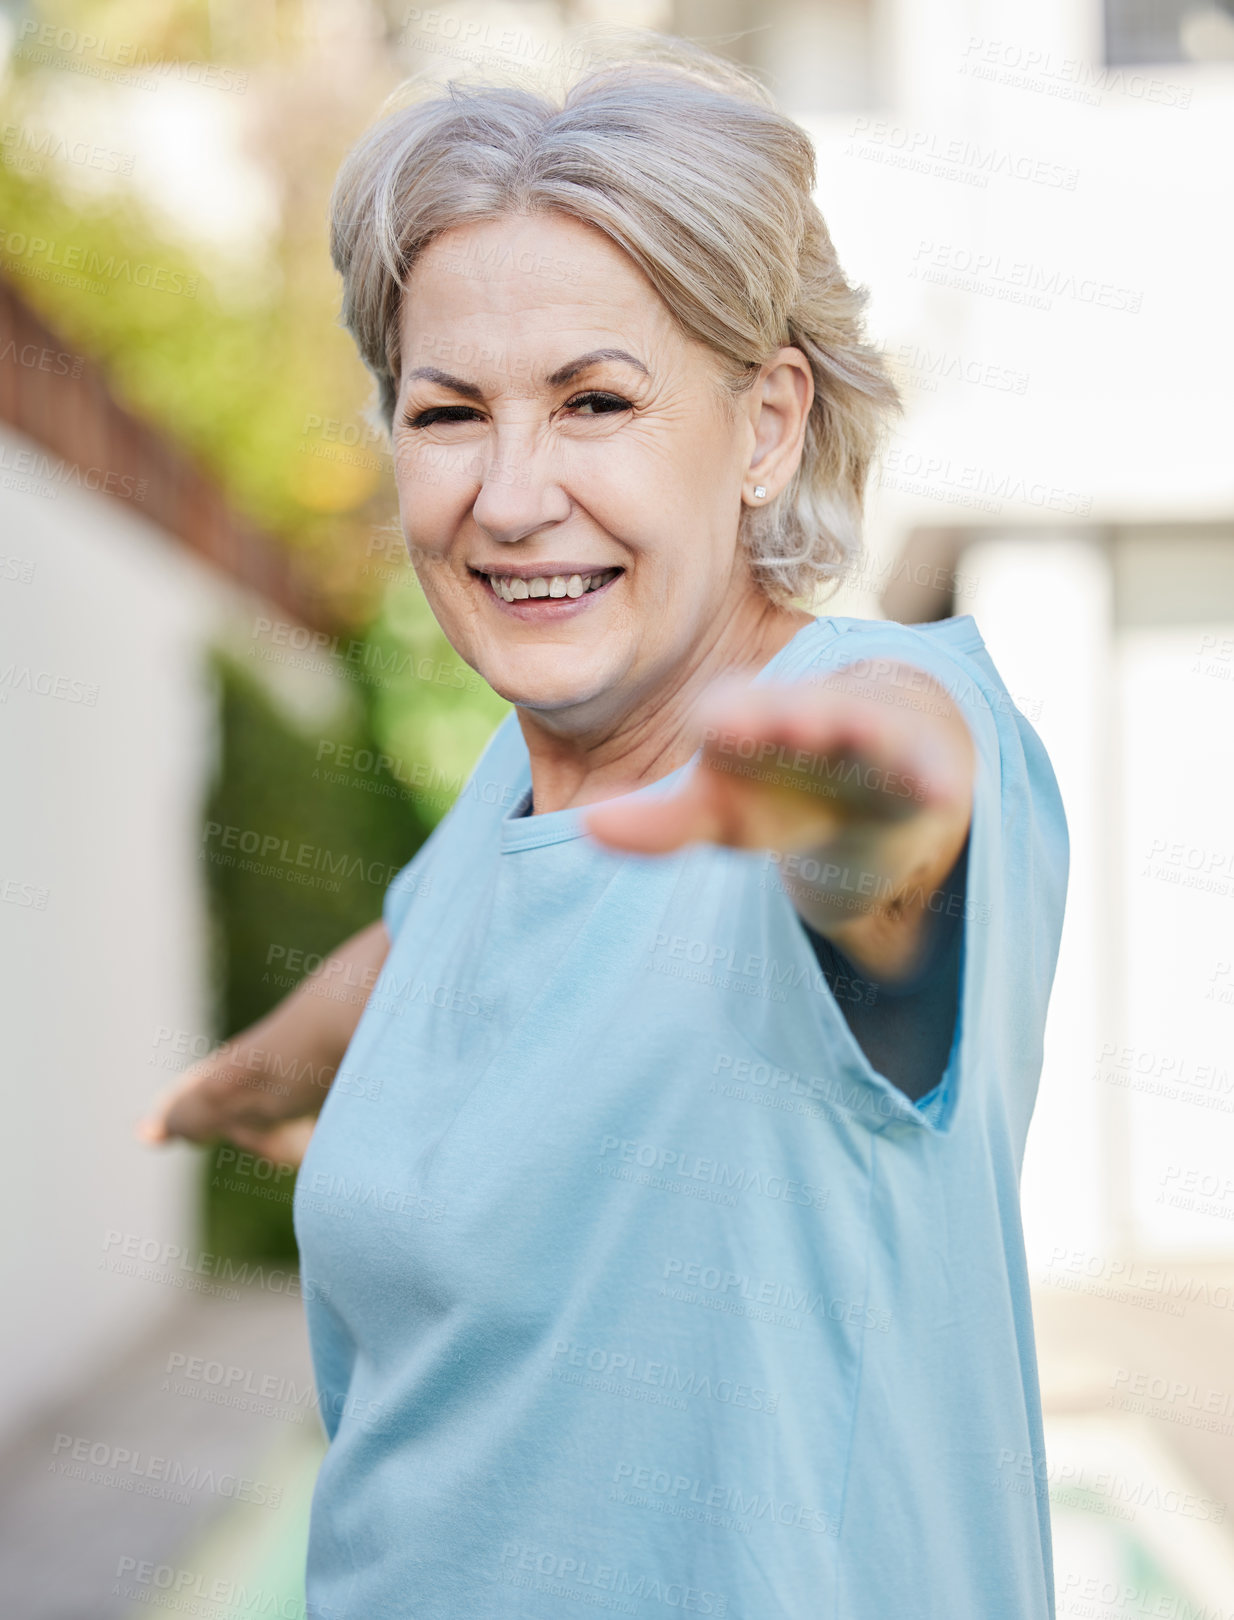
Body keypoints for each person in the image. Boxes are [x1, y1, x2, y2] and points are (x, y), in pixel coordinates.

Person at [139, 35, 1068, 1619]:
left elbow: (898, 803)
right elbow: (436, 937)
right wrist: (253, 1075)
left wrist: (838, 765)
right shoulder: (515, 791)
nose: (509, 496)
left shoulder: (880, 726)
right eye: (446, 415)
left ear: (765, 424)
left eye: (594, 401)